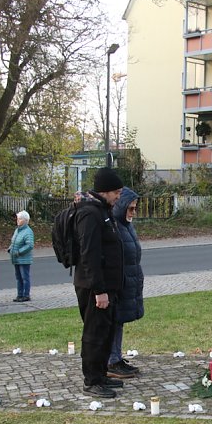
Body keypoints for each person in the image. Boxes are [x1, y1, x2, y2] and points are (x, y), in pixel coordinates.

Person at [73, 168, 125, 397]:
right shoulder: (89, 214)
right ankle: (91, 380)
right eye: (116, 192)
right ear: (105, 191)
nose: (118, 197)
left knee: (105, 331)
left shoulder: (104, 211)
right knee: (94, 334)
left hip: (108, 287)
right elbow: (89, 255)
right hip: (94, 287)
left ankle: (101, 374)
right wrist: (99, 290)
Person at [106, 188, 144, 379]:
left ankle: (116, 357)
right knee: (113, 321)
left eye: (135, 209)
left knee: (119, 321)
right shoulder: (114, 226)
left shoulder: (126, 226)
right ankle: (111, 361)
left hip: (128, 279)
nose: (133, 213)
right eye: (130, 209)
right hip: (118, 283)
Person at [8, 210, 34, 302]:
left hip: (24, 259)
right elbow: (14, 241)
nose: (17, 220)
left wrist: (19, 252)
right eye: (17, 218)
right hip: (16, 259)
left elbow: (30, 245)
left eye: (20, 219)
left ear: (25, 220)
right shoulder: (17, 230)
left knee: (24, 277)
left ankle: (26, 295)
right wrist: (10, 248)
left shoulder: (28, 231)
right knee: (18, 278)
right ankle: (19, 294)